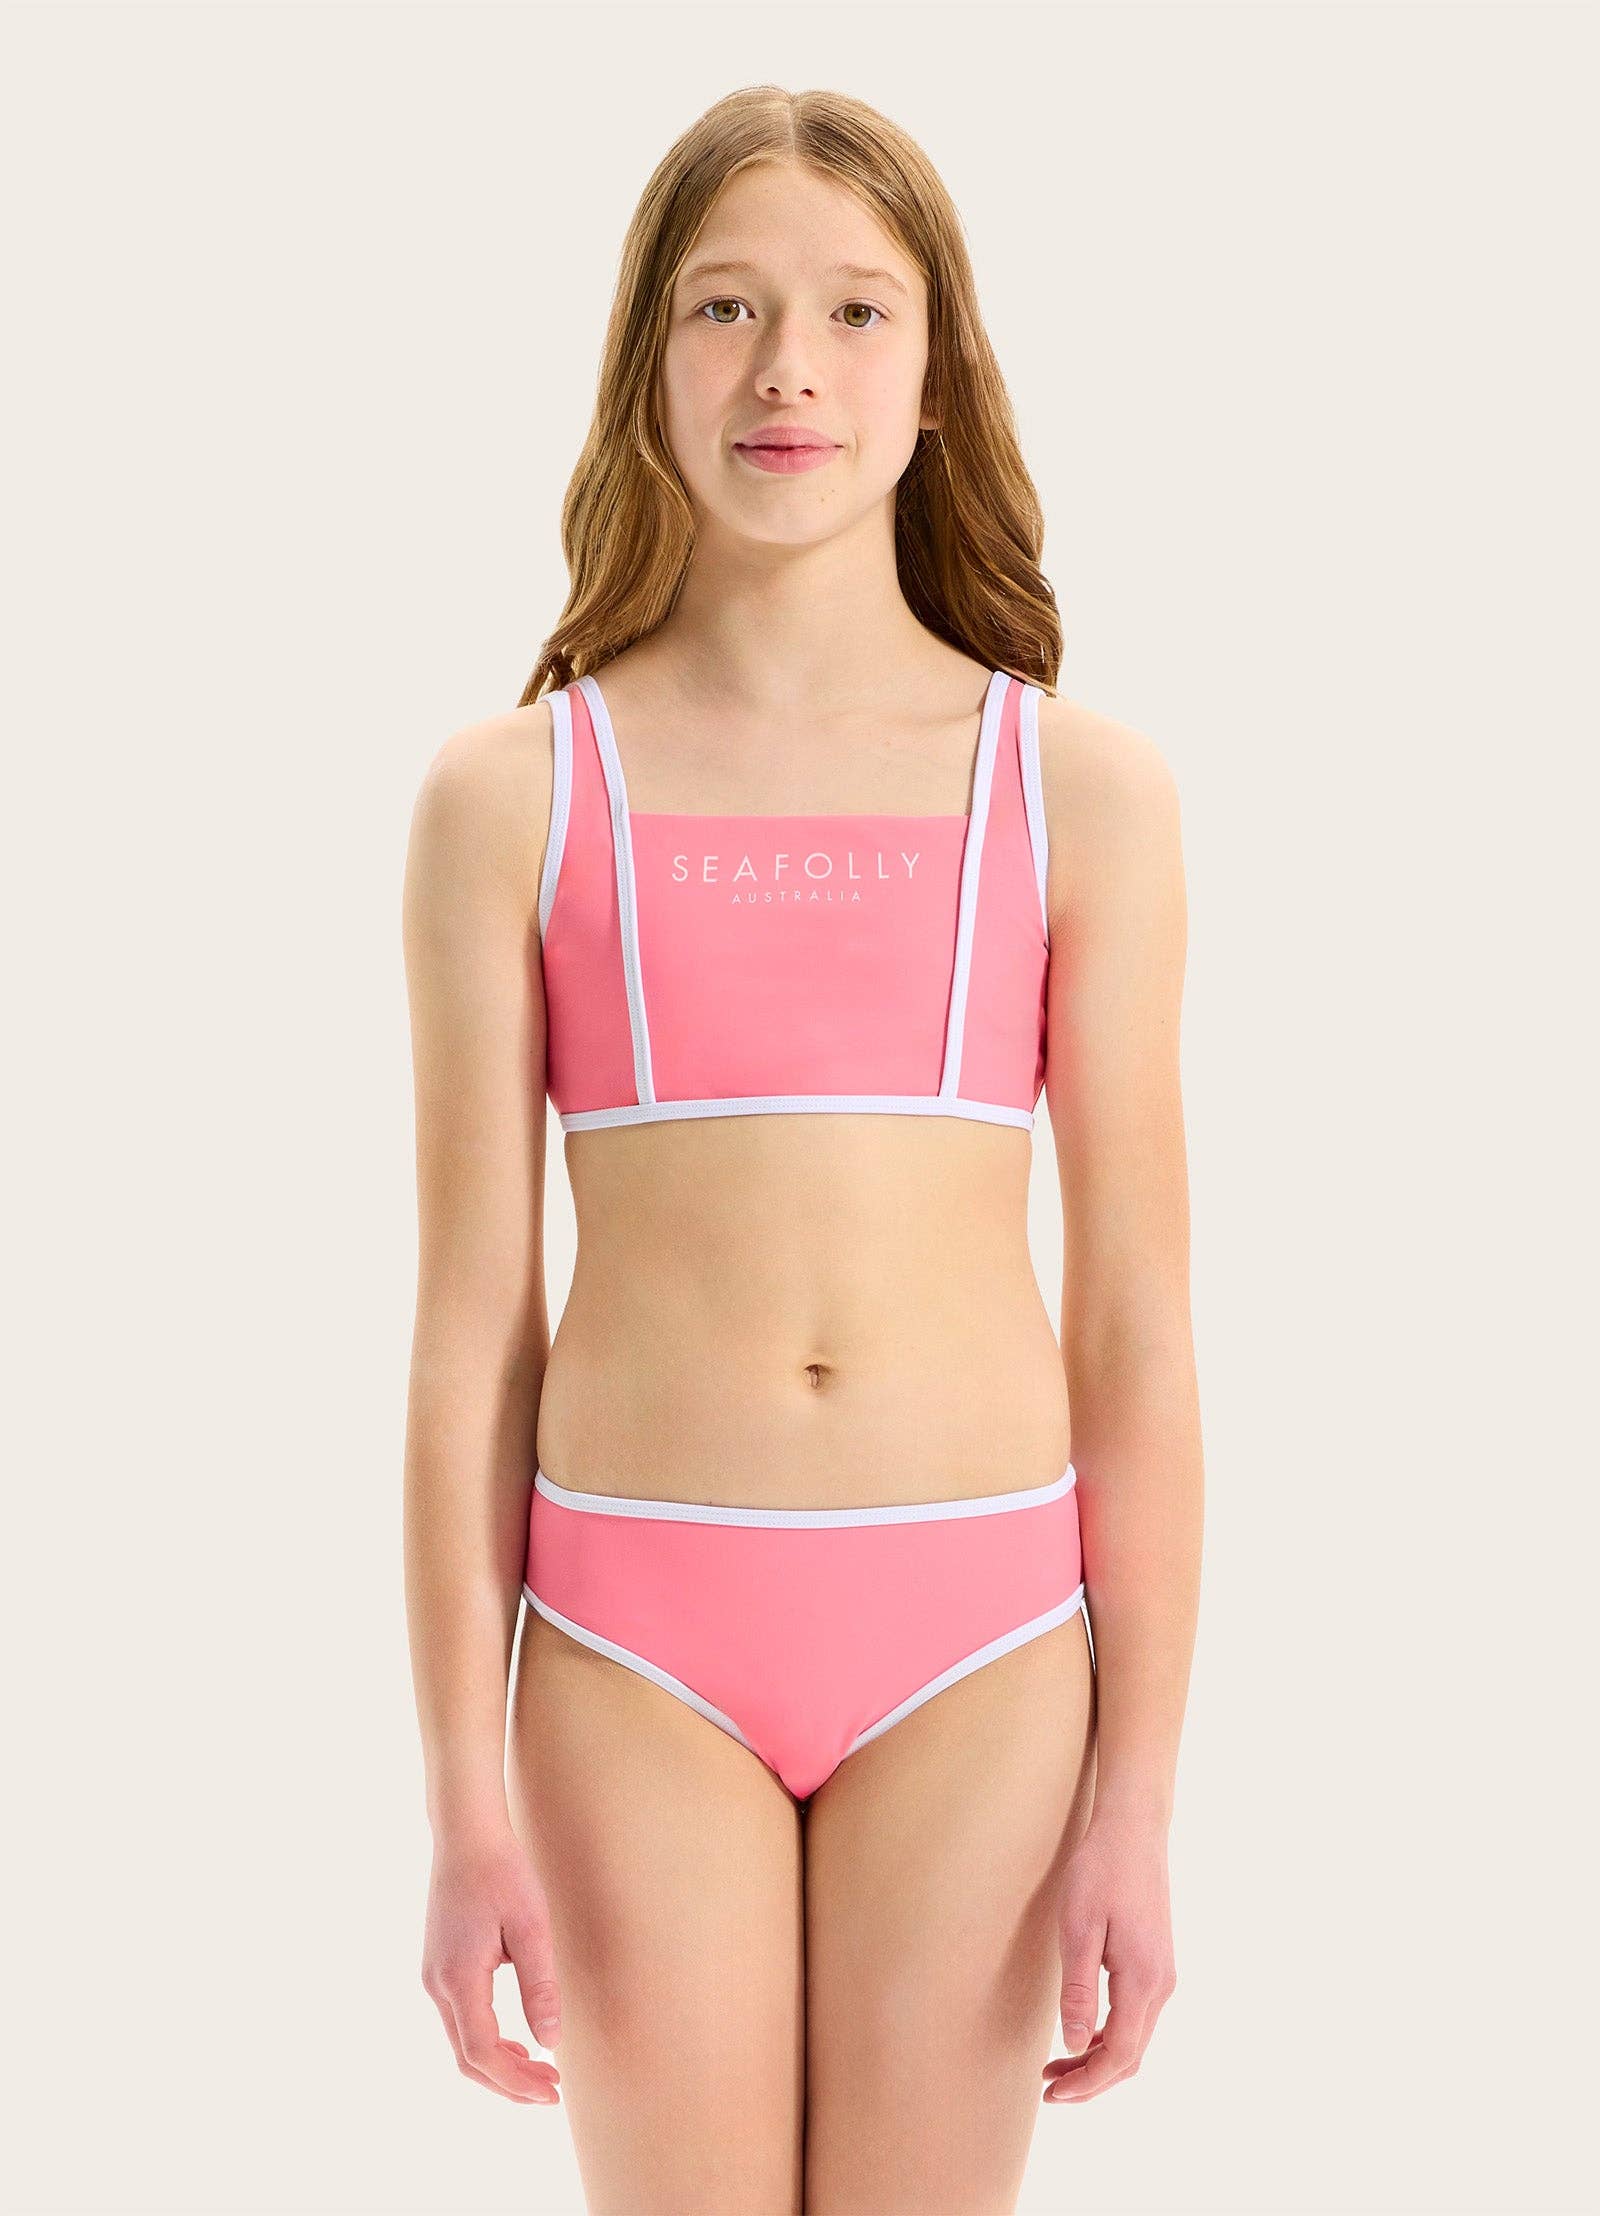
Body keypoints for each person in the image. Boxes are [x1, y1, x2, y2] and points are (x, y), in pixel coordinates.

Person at [401, 83, 1202, 2216]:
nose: (787, 369)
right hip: (632, 1644)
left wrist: (1137, 1800)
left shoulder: (1078, 795)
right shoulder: (511, 797)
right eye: (724, 307)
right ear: (645, 366)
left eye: (855, 311)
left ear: (934, 380)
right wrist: (462, 1807)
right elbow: (471, 1334)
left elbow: (1136, 1329)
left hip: (980, 1643)